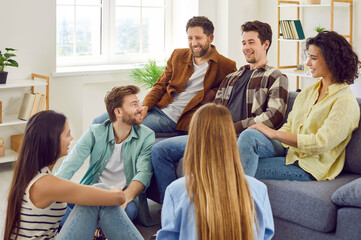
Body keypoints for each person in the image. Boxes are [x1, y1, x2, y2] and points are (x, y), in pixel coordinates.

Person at [151, 20, 288, 203]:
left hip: (241, 139)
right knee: (159, 150)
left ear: (265, 44)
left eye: (251, 42)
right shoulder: (232, 77)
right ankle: (172, 214)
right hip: (215, 135)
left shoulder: (275, 77)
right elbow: (215, 109)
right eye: (244, 43)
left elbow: (274, 116)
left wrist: (234, 128)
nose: (246, 47)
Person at [238, 30, 360, 181]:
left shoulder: (345, 101)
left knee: (234, 168)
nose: (308, 63)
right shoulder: (308, 92)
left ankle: (235, 202)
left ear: (331, 60)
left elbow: (320, 143)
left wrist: (274, 133)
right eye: (309, 57)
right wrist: (268, 135)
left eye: (313, 58)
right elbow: (290, 126)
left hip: (308, 166)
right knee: (248, 136)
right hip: (287, 151)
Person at [4, 110, 143, 240]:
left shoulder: (32, 175)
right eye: (68, 134)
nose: (71, 138)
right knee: (103, 191)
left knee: (99, 193)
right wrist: (116, 190)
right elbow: (119, 198)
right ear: (52, 140)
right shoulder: (45, 184)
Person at [93, 16, 237, 133]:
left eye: (198, 38)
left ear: (210, 38)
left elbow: (226, 97)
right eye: (190, 38)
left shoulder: (226, 66)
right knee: (98, 122)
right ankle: (98, 167)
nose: (193, 43)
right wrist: (145, 107)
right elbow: (160, 85)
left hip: (174, 119)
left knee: (119, 128)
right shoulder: (178, 55)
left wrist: (212, 93)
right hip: (157, 106)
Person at [156, 103, 274, 240]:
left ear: (193, 141)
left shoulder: (176, 191)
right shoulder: (258, 189)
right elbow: (266, 234)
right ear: (231, 140)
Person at [56, 85, 155, 226]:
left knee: (130, 211)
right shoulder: (94, 132)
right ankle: (97, 230)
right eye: (134, 105)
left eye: (138, 103)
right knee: (57, 205)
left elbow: (143, 173)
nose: (141, 108)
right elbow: (71, 163)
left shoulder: (146, 136)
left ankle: (85, 228)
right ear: (118, 112)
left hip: (120, 197)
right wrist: (51, 189)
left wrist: (124, 198)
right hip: (92, 194)